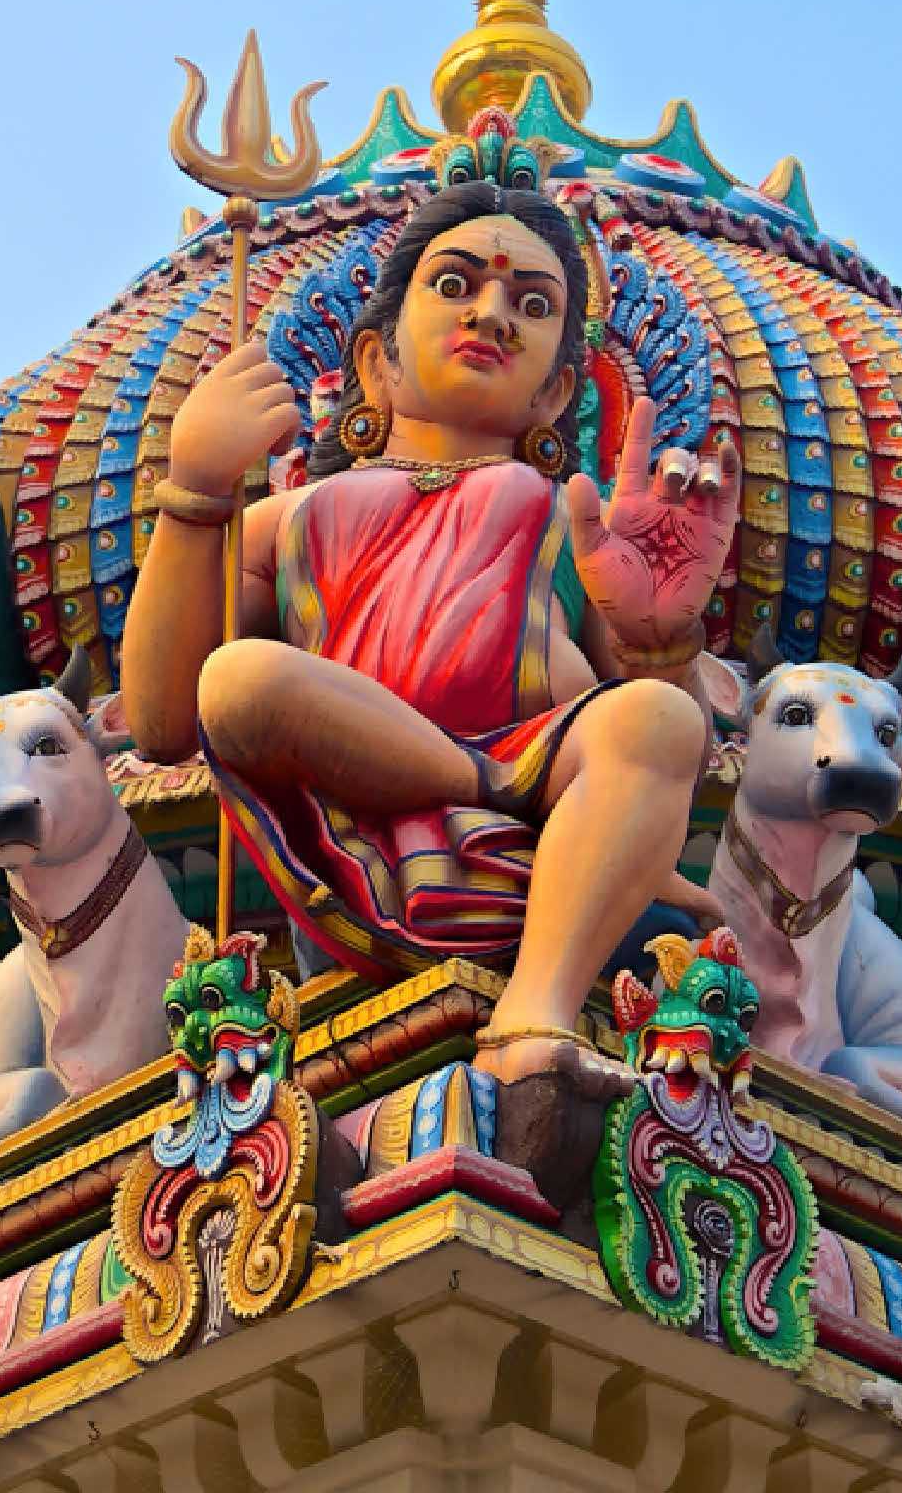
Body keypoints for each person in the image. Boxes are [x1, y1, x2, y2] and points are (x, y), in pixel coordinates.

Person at [123, 153, 739, 1113]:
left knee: (657, 722)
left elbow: (668, 754)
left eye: (532, 306)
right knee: (238, 680)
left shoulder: (567, 517)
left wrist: (660, 643)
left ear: (554, 395)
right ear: (376, 357)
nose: (494, 315)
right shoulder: (291, 517)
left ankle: (536, 1013)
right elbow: (163, 723)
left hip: (544, 777)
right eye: (456, 285)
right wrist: (195, 489)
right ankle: (479, 783)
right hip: (351, 807)